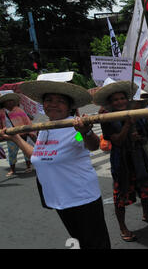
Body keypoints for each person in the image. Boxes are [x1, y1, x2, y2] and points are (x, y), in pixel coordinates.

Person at [0, 80, 111, 249]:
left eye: (60, 101)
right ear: (43, 104)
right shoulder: (45, 128)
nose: (53, 104)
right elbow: (37, 156)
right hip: (59, 199)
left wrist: (85, 132)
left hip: (81, 198)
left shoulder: (74, 128)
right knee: (80, 241)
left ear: (68, 107)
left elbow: (90, 144)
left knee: (96, 244)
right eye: (49, 100)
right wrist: (15, 138)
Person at [93, 80, 148, 242]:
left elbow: (145, 135)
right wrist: (127, 126)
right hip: (121, 162)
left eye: (122, 98)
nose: (120, 102)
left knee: (145, 190)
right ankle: (123, 227)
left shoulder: (135, 113)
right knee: (120, 196)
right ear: (110, 103)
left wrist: (140, 135)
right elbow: (116, 141)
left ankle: (146, 214)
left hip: (139, 158)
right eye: (115, 100)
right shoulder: (106, 118)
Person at [0, 93, 35, 177]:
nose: (10, 103)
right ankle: (12, 169)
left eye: (11, 101)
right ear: (4, 102)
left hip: (23, 134)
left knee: (25, 151)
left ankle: (28, 166)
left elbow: (27, 121)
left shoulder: (19, 110)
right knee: (12, 153)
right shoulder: (1, 112)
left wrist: (30, 132)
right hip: (10, 135)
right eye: (7, 101)